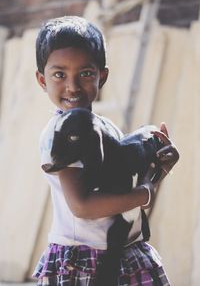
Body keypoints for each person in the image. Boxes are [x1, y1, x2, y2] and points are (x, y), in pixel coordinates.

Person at [32, 15, 179, 286]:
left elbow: (130, 204)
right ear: (42, 80)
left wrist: (157, 171)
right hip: (84, 260)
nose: (73, 86)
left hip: (126, 252)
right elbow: (83, 206)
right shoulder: (63, 134)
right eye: (59, 74)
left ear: (103, 76)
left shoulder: (106, 129)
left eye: (85, 73)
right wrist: (146, 192)